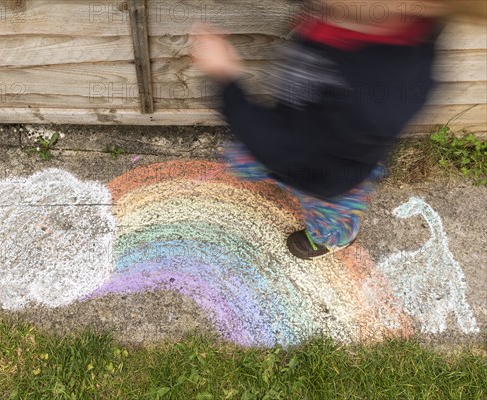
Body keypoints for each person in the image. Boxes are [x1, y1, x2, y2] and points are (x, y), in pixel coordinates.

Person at [189, 1, 457, 260]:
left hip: (325, 173)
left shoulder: (379, 92)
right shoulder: (369, 21)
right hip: (316, 137)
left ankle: (335, 237)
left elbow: (285, 148)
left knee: (331, 206)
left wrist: (225, 78)